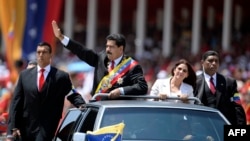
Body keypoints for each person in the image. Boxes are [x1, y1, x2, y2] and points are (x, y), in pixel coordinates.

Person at [6, 42, 86, 141]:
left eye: (44, 52)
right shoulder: (24, 76)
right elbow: (16, 102)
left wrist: (81, 104)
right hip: (26, 128)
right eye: (38, 52)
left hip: (47, 128)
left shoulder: (60, 76)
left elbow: (72, 94)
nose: (41, 55)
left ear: (50, 55)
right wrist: (12, 129)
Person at [52, 20, 148, 100]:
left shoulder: (132, 66)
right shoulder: (102, 58)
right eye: (107, 46)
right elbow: (82, 51)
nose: (107, 50)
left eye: (111, 47)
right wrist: (62, 38)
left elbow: (143, 87)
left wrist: (121, 91)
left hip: (119, 111)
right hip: (99, 108)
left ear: (121, 49)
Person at [194, 50, 246, 125]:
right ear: (202, 63)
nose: (214, 63)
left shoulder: (230, 82)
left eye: (216, 61)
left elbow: (237, 105)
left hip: (223, 126)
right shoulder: (195, 82)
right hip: (200, 126)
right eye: (210, 61)